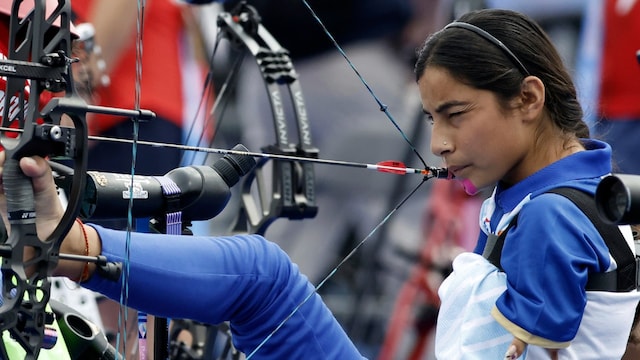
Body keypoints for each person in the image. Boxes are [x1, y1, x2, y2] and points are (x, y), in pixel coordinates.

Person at [2, 7, 640, 360]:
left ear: (528, 99)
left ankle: (72, 240)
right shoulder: (563, 194)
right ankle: (73, 242)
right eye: (432, 119)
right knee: (260, 275)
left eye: (457, 115)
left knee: (260, 275)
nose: (440, 143)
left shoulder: (553, 215)